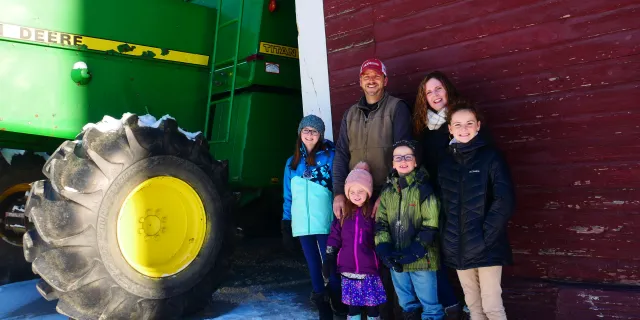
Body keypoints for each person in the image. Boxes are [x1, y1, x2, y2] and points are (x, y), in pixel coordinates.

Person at [333, 58, 412, 319]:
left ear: (385, 80)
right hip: (356, 197)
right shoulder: (350, 114)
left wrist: (388, 193)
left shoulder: (397, 108)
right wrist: (338, 193)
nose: (371, 79)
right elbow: (342, 155)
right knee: (358, 254)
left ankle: (387, 314)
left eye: (376, 75)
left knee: (384, 257)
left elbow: (404, 152)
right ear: (359, 81)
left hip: (388, 195)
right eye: (366, 75)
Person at [414, 71, 489, 319]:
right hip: (438, 201)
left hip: (466, 201)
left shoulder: (464, 121)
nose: (434, 95)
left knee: (470, 252)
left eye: (439, 89)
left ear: (448, 90)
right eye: (429, 92)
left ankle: (475, 307)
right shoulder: (425, 130)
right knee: (438, 252)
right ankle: (450, 305)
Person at [438, 103, 515, 320]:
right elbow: (444, 207)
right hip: (457, 245)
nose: (464, 129)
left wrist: (484, 237)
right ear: (450, 129)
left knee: (492, 306)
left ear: (478, 126)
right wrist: (447, 238)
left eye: (469, 124)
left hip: (487, 246)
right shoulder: (445, 164)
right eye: (458, 125)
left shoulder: (491, 157)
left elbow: (504, 200)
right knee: (474, 307)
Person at [281, 114, 345, 319]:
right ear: (300, 133)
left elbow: (338, 185)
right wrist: (286, 221)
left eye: (314, 131)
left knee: (331, 263)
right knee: (312, 264)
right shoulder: (292, 163)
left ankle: (337, 300)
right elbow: (288, 195)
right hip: (302, 223)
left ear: (320, 135)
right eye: (306, 130)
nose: (309, 134)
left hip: (325, 221)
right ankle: (322, 304)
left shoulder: (330, 156)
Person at [375, 140, 445, 320]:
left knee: (430, 306)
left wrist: (416, 250)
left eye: (408, 157)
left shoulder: (423, 188)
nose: (403, 160)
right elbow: (380, 221)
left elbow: (431, 223)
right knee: (407, 305)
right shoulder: (388, 191)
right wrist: (383, 247)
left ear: (415, 162)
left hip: (422, 259)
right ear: (392, 163)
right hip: (396, 258)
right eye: (398, 157)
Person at [324, 162, 387, 320]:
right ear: (347, 193)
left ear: (368, 192)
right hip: (348, 270)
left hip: (369, 270)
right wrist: (330, 255)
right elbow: (335, 235)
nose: (356, 194)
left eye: (361, 191)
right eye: (352, 191)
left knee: (373, 308)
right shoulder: (344, 213)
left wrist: (383, 254)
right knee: (353, 309)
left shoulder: (373, 213)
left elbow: (380, 235)